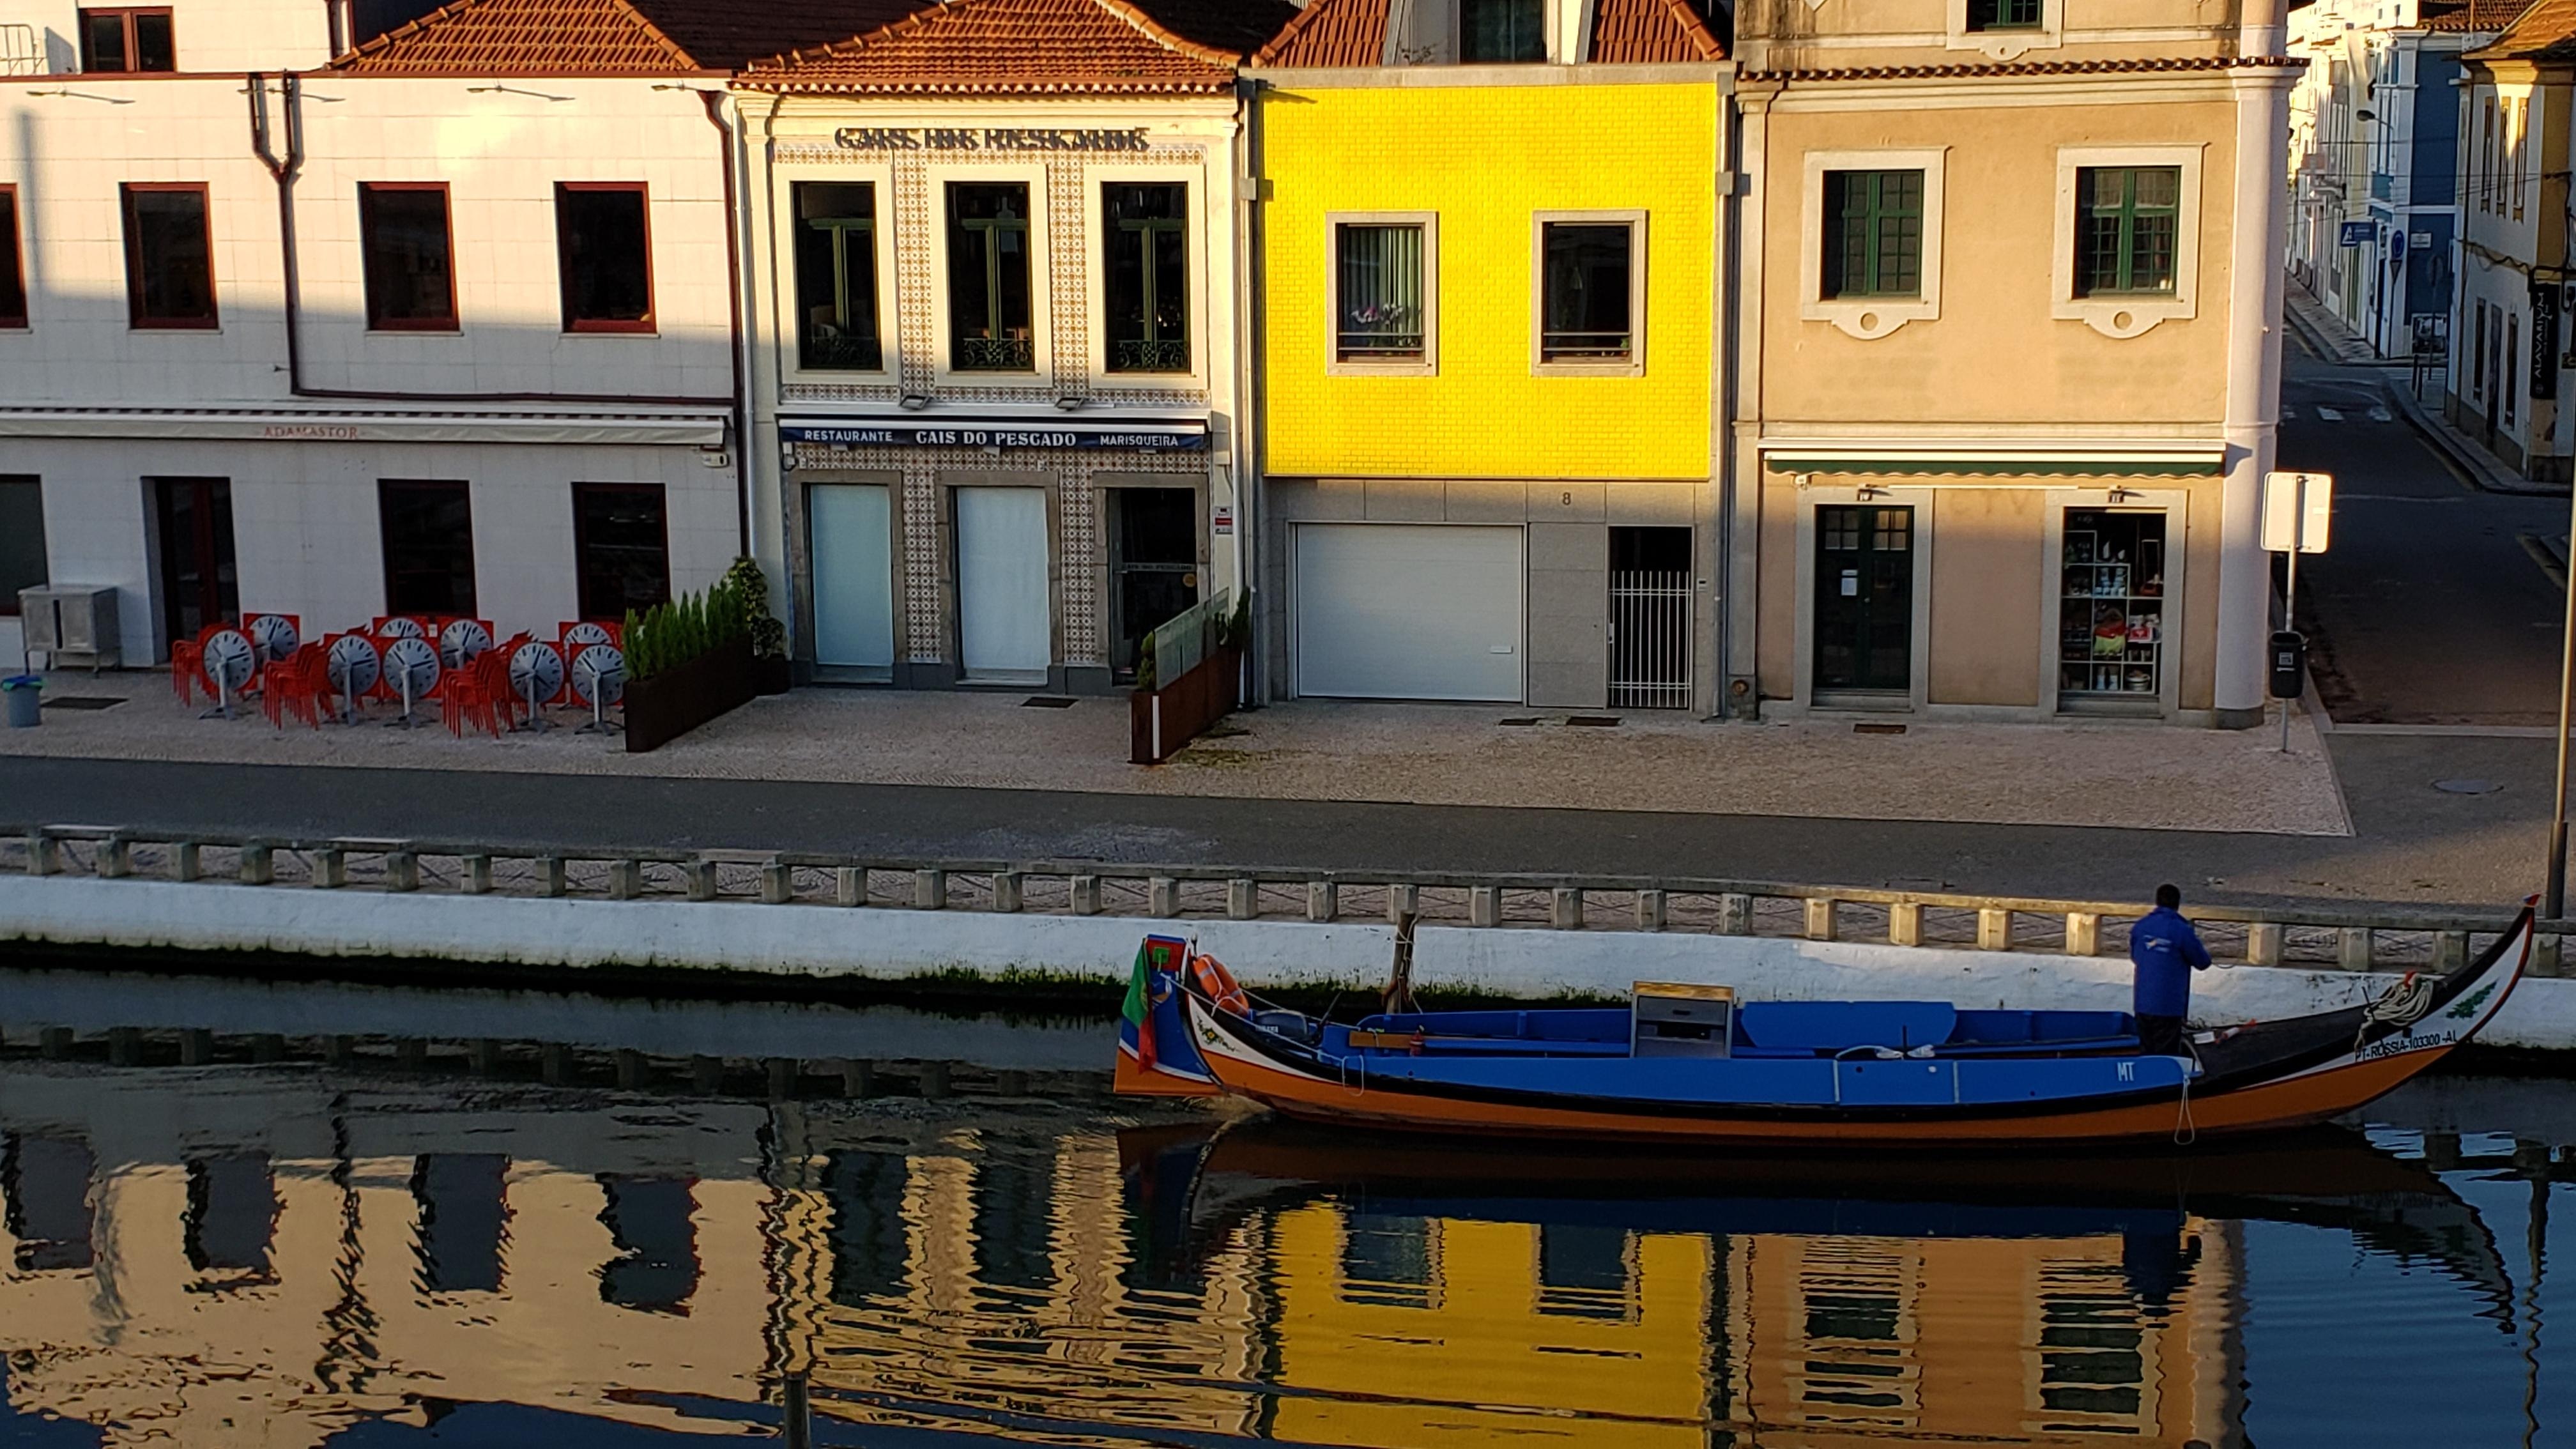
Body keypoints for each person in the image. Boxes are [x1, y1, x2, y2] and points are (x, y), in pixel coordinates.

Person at [2131, 883, 2212, 1056]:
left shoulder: (2141, 926)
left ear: (2157, 902)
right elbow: (2203, 962)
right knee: (2167, 1055)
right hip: (2169, 1005)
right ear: (2177, 904)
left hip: (2143, 1003)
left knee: (2146, 1051)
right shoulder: (2182, 930)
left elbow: (2136, 956)